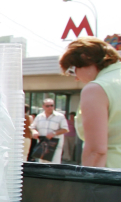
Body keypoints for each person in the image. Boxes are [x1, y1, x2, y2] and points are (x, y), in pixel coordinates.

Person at [59, 37, 121, 168]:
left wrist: (86, 186)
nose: (76, 78)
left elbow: (96, 151)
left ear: (85, 60)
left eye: (72, 69)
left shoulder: (97, 88)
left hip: (112, 178)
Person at [30, 99, 68, 163]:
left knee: (54, 165)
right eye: (47, 106)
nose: (50, 107)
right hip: (42, 144)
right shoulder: (39, 117)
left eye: (52, 105)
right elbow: (33, 127)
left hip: (54, 144)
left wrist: (54, 133)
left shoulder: (60, 116)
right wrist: (34, 132)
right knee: (42, 164)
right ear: (43, 106)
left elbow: (65, 129)